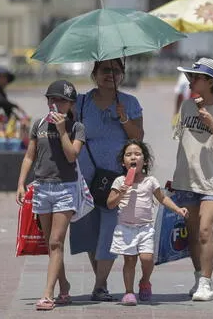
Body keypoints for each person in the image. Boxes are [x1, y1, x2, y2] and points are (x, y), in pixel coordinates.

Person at [69, 58, 144, 302]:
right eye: (104, 70)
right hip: (85, 177)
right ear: (94, 74)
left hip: (116, 178)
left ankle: (99, 285)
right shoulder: (81, 102)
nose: (109, 75)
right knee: (90, 231)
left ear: (122, 75)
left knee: (111, 231)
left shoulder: (130, 103)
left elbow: (138, 139)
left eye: (115, 70)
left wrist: (124, 118)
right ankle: (100, 284)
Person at [172, 57, 213, 301]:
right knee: (192, 235)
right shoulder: (187, 107)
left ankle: (207, 283)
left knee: (204, 231)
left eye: (194, 77)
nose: (189, 80)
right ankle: (198, 275)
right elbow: (184, 143)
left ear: (210, 81)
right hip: (186, 180)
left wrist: (212, 124)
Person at [15, 80, 84, 311]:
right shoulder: (39, 125)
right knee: (50, 243)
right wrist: (21, 183)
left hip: (65, 188)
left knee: (56, 242)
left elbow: (72, 155)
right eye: (52, 99)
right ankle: (64, 285)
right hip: (42, 187)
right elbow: (29, 156)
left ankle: (47, 294)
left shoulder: (77, 127)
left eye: (62, 100)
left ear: (71, 104)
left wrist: (63, 130)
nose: (56, 104)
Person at [106, 140, 189, 305]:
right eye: (128, 155)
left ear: (145, 161)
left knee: (147, 258)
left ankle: (145, 281)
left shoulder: (150, 181)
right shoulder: (119, 181)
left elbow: (162, 198)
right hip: (126, 228)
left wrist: (178, 209)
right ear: (123, 162)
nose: (133, 157)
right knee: (129, 260)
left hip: (145, 228)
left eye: (137, 154)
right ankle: (129, 292)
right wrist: (121, 193)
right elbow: (110, 203)